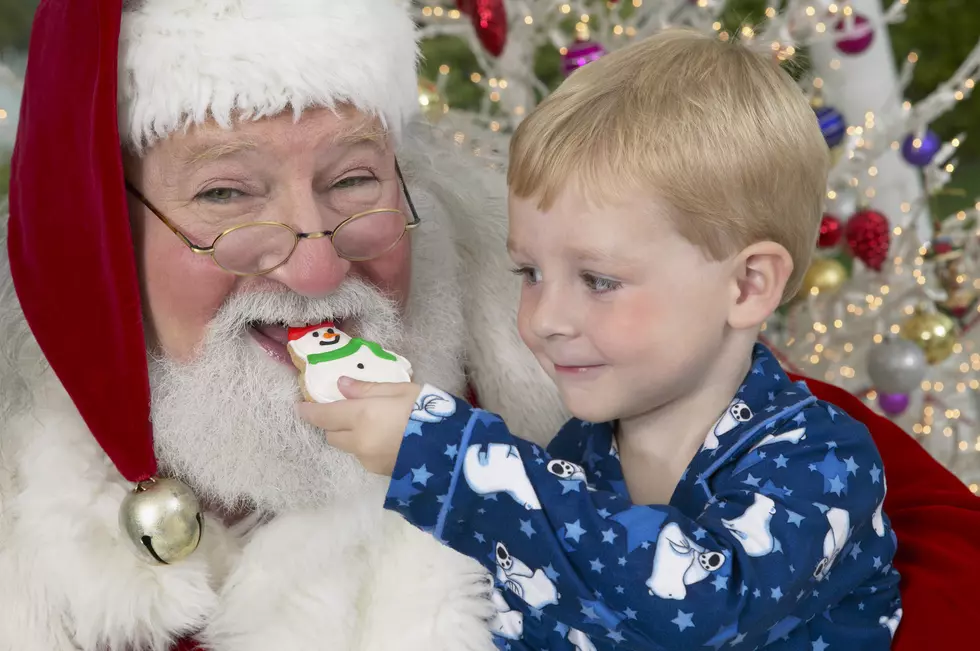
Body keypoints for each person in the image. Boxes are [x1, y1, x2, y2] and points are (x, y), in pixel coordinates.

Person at [0, 1, 978, 650]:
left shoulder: (604, 398)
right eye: (224, 193)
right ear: (96, 235)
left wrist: (433, 447)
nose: (313, 264)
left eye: (352, 181)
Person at [299, 30, 900, 650]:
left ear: (747, 285)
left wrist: (453, 460)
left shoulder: (821, 461)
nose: (545, 317)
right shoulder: (579, 452)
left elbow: (692, 608)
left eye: (599, 279)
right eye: (529, 273)